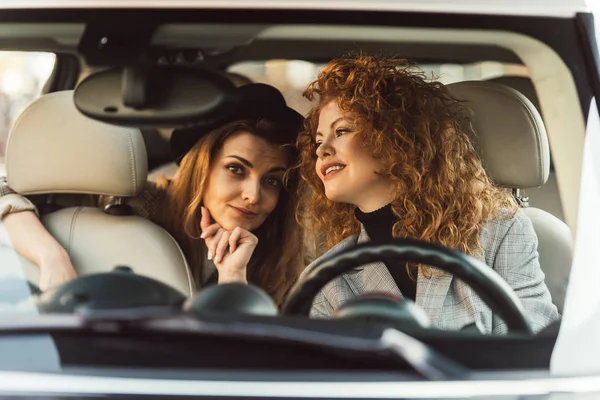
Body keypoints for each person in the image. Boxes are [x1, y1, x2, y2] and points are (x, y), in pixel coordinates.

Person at [295, 55, 560, 333]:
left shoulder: (501, 232)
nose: (321, 149)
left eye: (342, 130)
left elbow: (532, 344)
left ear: (396, 139)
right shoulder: (326, 276)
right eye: (318, 140)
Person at [0, 83, 305, 306]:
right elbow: (6, 189)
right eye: (236, 169)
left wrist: (233, 279)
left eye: (272, 181)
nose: (253, 195)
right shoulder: (127, 204)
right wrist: (51, 256)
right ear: (201, 168)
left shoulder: (285, 256)